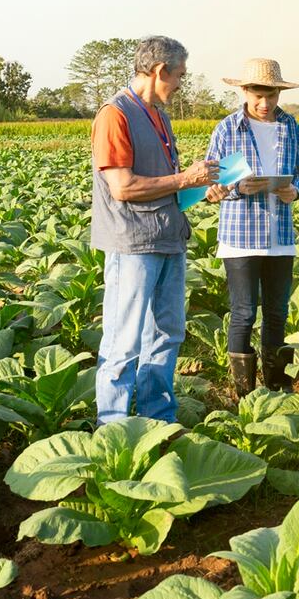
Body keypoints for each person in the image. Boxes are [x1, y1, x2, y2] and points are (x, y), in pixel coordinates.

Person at [90, 35, 227, 424]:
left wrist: (202, 185)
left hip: (168, 237)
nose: (181, 83)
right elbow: (123, 187)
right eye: (179, 75)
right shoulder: (115, 115)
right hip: (133, 243)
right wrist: (185, 179)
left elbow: (167, 182)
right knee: (124, 341)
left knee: (167, 335)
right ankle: (113, 428)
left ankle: (157, 422)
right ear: (160, 71)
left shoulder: (159, 116)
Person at [207, 58, 299, 395]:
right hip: (240, 236)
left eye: (272, 96)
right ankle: (245, 393)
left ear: (279, 93)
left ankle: (277, 384)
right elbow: (210, 183)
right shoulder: (227, 128)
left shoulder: (289, 126)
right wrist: (237, 188)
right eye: (258, 96)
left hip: (279, 234)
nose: (265, 104)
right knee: (243, 313)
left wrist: (295, 190)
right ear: (244, 91)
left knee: (278, 312)